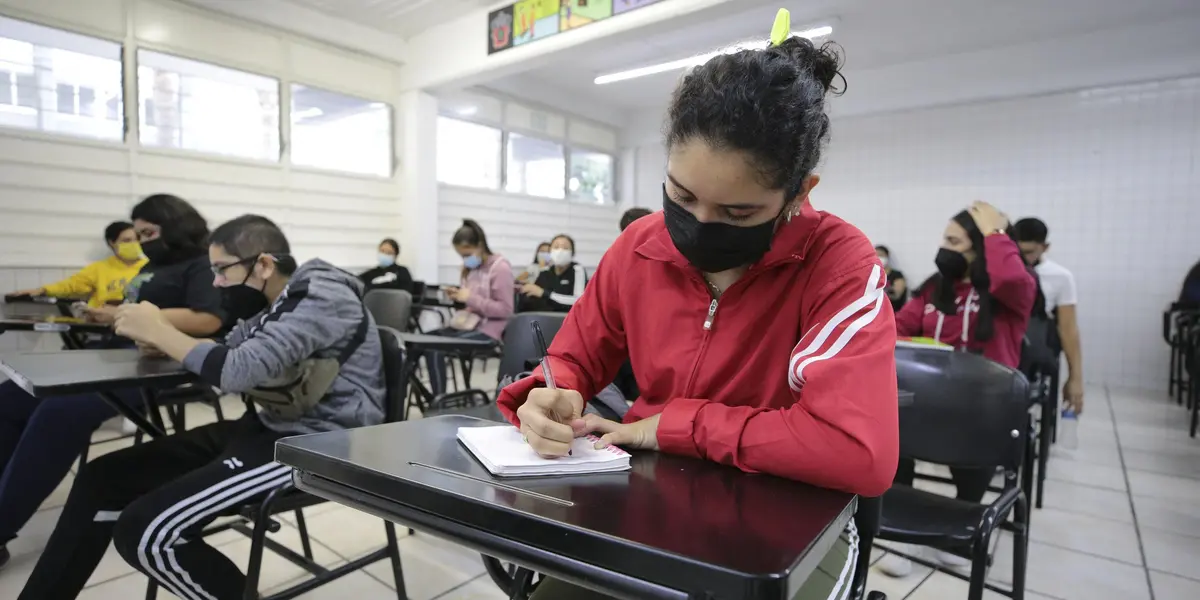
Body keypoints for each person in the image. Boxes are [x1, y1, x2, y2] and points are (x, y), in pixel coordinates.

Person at [496, 24, 898, 600]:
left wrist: (672, 426)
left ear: (798, 192)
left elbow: (858, 452)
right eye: (682, 197)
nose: (699, 225)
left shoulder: (838, 264)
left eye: (737, 213)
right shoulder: (640, 245)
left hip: (792, 528)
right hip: (648, 508)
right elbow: (573, 358)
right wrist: (551, 394)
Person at [18, 215, 385, 600]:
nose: (216, 283)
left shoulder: (321, 294)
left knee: (148, 533)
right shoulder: (276, 306)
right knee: (102, 478)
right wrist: (167, 343)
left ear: (263, 264)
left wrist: (160, 328)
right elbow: (233, 348)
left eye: (222, 270)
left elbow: (236, 371)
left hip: (321, 444)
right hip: (269, 425)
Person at [0, 194, 233, 571]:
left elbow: (206, 319)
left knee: (59, 411)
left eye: (148, 231)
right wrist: (108, 315)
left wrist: (132, 316)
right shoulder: (150, 266)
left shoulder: (200, 265)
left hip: (159, 363)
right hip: (115, 354)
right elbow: (129, 313)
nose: (141, 240)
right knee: (11, 397)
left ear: (175, 224)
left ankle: (2, 526)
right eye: (137, 234)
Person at [880, 201, 1036, 578]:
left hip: (981, 410)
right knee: (889, 418)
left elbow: (1013, 279)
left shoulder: (1007, 296)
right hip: (925, 403)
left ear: (980, 248)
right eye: (944, 240)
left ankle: (957, 531)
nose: (944, 249)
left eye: (955, 241)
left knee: (973, 468)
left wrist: (996, 234)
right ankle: (904, 533)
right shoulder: (936, 290)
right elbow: (896, 327)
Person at [426, 219, 514, 395]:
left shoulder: (500, 268)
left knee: (435, 347)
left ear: (480, 245)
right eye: (461, 256)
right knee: (424, 340)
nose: (465, 259)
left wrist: (471, 298)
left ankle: (439, 401)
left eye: (467, 254)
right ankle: (430, 398)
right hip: (468, 323)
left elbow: (505, 310)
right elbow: (471, 301)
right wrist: (459, 296)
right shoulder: (470, 269)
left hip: (489, 331)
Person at [1013, 217, 1084, 414]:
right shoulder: (1002, 271)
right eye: (1018, 251)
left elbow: (1068, 329)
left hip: (1033, 348)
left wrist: (1075, 377)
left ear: (1045, 247)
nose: (1022, 258)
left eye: (1028, 252)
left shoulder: (1060, 277)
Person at [9, 221, 146, 307]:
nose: (134, 244)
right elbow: (71, 285)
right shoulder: (100, 268)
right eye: (127, 240)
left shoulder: (151, 267)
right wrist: (42, 290)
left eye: (137, 240)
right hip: (106, 327)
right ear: (112, 242)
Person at [519, 234, 587, 313]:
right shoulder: (545, 272)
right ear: (550, 252)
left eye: (565, 248)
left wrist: (545, 294)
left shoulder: (577, 270)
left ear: (572, 253)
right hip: (544, 319)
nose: (560, 251)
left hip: (567, 319)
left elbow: (578, 301)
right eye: (556, 247)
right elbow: (534, 295)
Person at [875, 245, 907, 313]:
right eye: (876, 255)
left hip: (893, 312)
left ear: (887, 256)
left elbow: (896, 295)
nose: (878, 258)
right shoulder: (872, 276)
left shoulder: (897, 275)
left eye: (881, 255)